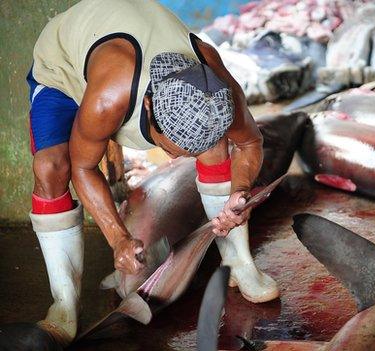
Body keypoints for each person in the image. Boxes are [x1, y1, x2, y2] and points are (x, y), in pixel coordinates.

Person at [26, 0, 278, 346]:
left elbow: (250, 144)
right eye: (171, 146)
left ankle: (239, 262)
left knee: (216, 146)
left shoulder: (219, 87)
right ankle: (64, 303)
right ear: (148, 107)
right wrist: (119, 239)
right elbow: (85, 168)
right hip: (64, 67)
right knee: (51, 166)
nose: (175, 157)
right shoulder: (108, 97)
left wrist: (242, 189)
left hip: (131, 46)